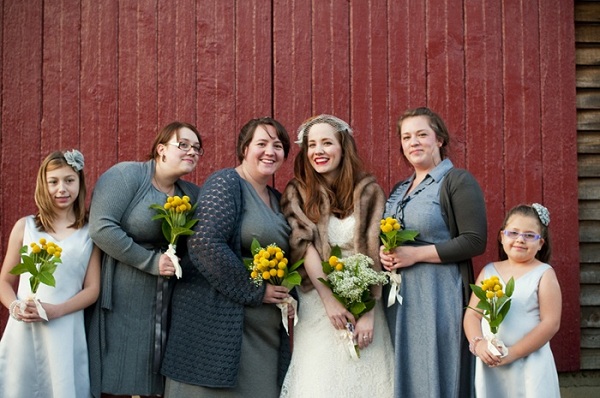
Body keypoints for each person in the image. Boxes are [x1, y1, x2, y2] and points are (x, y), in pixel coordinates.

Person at [161, 117, 293, 397]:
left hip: (263, 338)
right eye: (261, 143)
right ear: (244, 148)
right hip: (214, 332)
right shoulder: (226, 183)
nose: (270, 151)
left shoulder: (278, 198)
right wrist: (255, 290)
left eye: (278, 145)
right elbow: (204, 244)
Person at [279, 114, 394, 397]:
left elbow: (373, 251)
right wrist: (329, 300)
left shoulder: (368, 191)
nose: (319, 151)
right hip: (319, 302)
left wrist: (367, 312)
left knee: (368, 376)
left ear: (343, 147)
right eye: (312, 145)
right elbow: (303, 244)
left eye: (327, 143)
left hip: (366, 297)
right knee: (320, 380)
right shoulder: (299, 191)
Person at [87, 122, 202, 397]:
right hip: (122, 293)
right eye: (183, 145)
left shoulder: (192, 195)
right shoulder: (126, 176)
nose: (192, 152)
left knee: (158, 381)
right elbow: (101, 228)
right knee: (121, 373)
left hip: (169, 298)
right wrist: (151, 262)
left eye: (197, 148)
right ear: (161, 150)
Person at [379, 107, 487, 398]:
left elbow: (474, 241)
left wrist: (415, 255)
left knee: (436, 369)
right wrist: (385, 253)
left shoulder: (456, 181)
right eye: (406, 137)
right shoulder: (400, 189)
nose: (413, 142)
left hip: (438, 294)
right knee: (407, 370)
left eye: (421, 134)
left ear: (439, 139)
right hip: (401, 299)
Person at [0, 150, 101, 397]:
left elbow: (92, 289)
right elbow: (4, 281)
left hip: (64, 326)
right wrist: (15, 307)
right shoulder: (26, 228)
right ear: (43, 185)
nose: (61, 189)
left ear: (80, 183)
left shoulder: (91, 232)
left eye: (69, 180)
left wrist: (56, 311)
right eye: (53, 181)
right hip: (24, 327)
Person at [464, 203, 561, 397]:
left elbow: (551, 323)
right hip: (492, 361)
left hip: (530, 361)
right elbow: (472, 316)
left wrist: (513, 353)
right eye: (513, 233)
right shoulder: (489, 271)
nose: (520, 240)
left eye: (529, 235)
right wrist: (479, 344)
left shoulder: (543, 274)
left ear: (540, 243)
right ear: (502, 237)